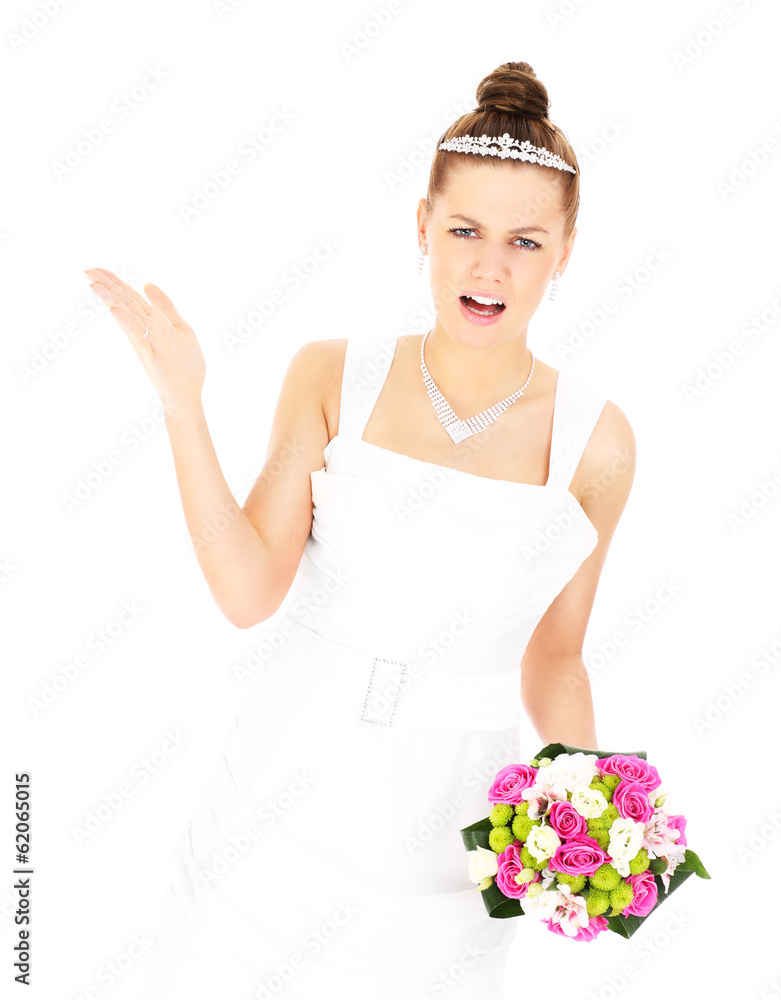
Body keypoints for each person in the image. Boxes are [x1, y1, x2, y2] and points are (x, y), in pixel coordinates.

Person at [85, 59, 635, 1000]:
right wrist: (184, 407)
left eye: (525, 241)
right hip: (268, 831)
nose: (490, 266)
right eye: (463, 230)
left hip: (445, 865)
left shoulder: (597, 442)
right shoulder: (331, 374)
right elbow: (247, 591)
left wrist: (599, 824)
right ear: (421, 226)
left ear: (566, 252)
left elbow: (555, 659)